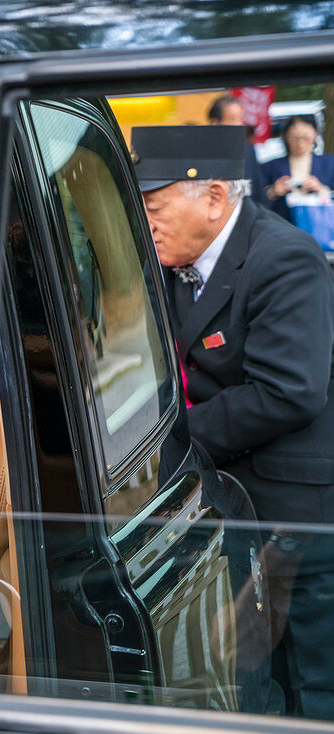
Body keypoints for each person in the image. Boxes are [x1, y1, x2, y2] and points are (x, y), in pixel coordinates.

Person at [132, 124, 334, 720]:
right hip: (231, 501)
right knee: (255, 671)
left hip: (294, 509)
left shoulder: (284, 259)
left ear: (214, 197)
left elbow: (288, 392)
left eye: (155, 208)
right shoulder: (176, 262)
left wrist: (170, 435)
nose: (147, 226)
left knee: (313, 675)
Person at [261, 115, 334, 220]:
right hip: (282, 225)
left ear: (314, 136)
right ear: (286, 137)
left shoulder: (329, 164)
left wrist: (321, 190)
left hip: (319, 225)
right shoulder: (270, 167)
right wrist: (273, 191)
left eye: (306, 138)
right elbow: (255, 200)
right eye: (295, 138)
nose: (300, 143)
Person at [207, 93, 267, 208]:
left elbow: (259, 191)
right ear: (215, 123)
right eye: (233, 119)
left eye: (241, 119)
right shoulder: (204, 152)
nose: (239, 124)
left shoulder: (248, 150)